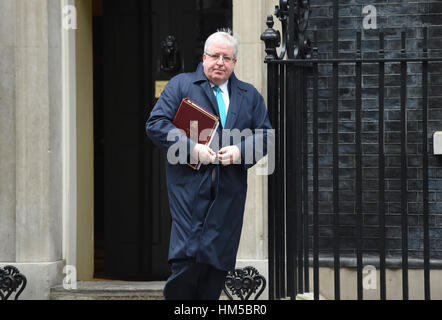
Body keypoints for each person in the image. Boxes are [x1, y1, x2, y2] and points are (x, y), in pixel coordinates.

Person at [146, 29, 272, 300]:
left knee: (217, 265)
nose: (220, 62)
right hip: (189, 191)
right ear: (204, 57)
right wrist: (192, 148)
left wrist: (239, 151)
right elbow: (156, 124)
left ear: (235, 63)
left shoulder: (248, 95)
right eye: (215, 56)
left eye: (227, 58)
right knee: (187, 261)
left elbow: (267, 136)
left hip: (229, 194)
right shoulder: (181, 85)